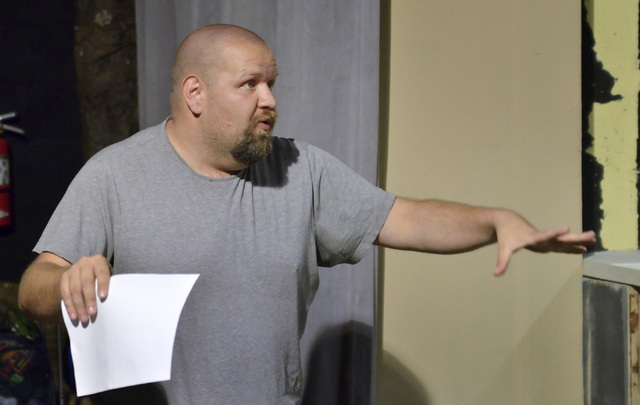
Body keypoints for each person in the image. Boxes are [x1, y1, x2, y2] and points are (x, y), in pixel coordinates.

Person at [17, 24, 595, 404]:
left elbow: (408, 218)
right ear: (196, 94)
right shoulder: (115, 175)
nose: (269, 99)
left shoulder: (301, 169)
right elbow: (33, 287)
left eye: (271, 83)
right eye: (250, 84)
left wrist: (494, 220)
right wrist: (68, 279)